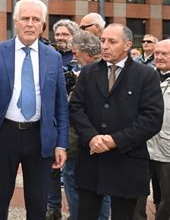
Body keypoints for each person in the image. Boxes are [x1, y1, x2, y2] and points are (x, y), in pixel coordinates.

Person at [69, 23, 163, 220]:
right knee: (86, 214)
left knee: (125, 215)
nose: (104, 46)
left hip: (127, 160)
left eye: (112, 41)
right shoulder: (88, 73)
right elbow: (76, 109)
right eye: (102, 40)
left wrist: (114, 141)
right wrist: (92, 137)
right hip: (91, 159)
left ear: (127, 45)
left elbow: (151, 118)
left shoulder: (146, 75)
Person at [0, 0, 69, 220]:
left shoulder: (53, 57)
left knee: (38, 202)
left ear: (43, 25)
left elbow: (61, 105)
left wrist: (61, 143)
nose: (30, 24)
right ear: (15, 22)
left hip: (39, 136)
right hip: (3, 135)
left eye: (36, 19)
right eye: (25, 18)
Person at [63, 31, 110, 220]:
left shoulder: (92, 73)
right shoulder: (100, 71)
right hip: (92, 142)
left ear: (86, 51)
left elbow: (78, 110)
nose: (73, 57)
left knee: (78, 188)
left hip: (81, 143)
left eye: (75, 53)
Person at [47, 19, 80, 220]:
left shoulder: (77, 56)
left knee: (70, 172)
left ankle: (74, 212)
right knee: (51, 168)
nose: (60, 38)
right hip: (53, 118)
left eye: (64, 34)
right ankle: (53, 208)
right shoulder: (51, 56)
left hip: (73, 123)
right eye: (57, 34)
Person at [144, 39, 170, 220]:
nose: (159, 57)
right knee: (138, 194)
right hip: (144, 147)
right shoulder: (146, 76)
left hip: (167, 150)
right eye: (157, 54)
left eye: (165, 54)